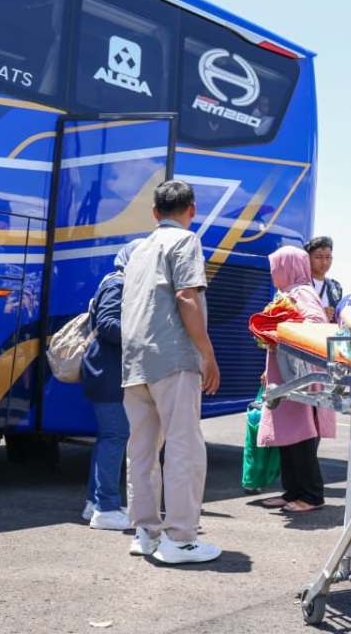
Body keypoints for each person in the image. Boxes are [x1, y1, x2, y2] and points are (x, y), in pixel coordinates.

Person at [121, 180, 222, 565]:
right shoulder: (186, 242)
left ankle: (145, 532)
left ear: (154, 213)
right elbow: (186, 296)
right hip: (173, 358)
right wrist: (207, 352)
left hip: (134, 363)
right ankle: (180, 539)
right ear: (191, 210)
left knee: (142, 450)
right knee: (184, 448)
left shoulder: (138, 250)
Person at [257, 246, 337, 513]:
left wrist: (282, 327)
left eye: (275, 267)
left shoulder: (301, 292)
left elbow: (314, 324)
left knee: (301, 435)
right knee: (288, 433)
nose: (271, 273)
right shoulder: (288, 292)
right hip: (286, 375)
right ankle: (292, 491)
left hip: (300, 376)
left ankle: (312, 495)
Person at [79, 239, 141, 531]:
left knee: (110, 437)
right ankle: (106, 507)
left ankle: (95, 502)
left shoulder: (115, 281)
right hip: (107, 372)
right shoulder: (117, 283)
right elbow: (107, 325)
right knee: (116, 436)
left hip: (104, 372)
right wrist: (142, 333)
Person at [304, 235, 343, 322]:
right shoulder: (301, 285)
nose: (324, 262)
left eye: (328, 257)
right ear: (307, 258)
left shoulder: (336, 287)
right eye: (318, 257)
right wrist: (320, 314)